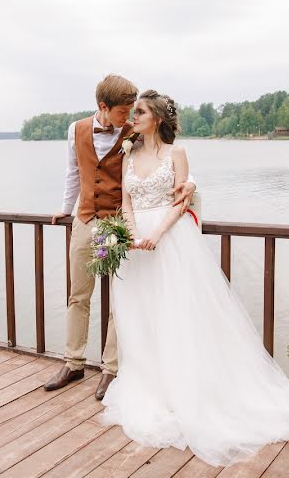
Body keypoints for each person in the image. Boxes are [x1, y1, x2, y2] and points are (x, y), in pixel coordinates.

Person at [100, 89, 289, 467]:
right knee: (142, 317)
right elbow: (126, 202)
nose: (132, 117)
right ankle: (154, 387)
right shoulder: (129, 152)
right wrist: (129, 233)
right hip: (136, 244)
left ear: (156, 117)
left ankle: (188, 390)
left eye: (139, 112)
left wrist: (157, 234)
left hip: (170, 242)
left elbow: (182, 200)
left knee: (177, 315)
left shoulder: (177, 154)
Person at [44, 75, 196, 401]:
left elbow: (165, 160)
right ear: (103, 107)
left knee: (120, 300)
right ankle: (73, 362)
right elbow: (73, 172)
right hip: (84, 219)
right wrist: (64, 209)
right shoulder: (76, 130)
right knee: (77, 295)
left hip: (118, 224)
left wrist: (192, 183)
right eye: (123, 111)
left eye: (133, 110)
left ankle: (110, 370)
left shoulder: (133, 134)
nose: (129, 117)